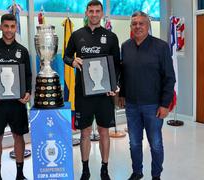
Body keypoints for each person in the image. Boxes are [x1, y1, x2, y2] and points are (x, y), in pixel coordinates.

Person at [63, 1, 120, 180]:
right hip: (83, 93)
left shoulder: (111, 36)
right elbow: (65, 56)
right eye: (91, 11)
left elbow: (116, 65)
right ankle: (85, 169)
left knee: (104, 131)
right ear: (86, 13)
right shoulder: (76, 35)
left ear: (102, 13)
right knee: (85, 132)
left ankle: (104, 168)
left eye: (97, 11)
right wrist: (72, 62)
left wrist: (114, 85)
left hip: (104, 95)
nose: (94, 14)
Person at [118, 11, 176, 180]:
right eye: (134, 23)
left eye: (141, 23)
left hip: (154, 106)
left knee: (156, 144)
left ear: (148, 25)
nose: (137, 26)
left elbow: (169, 77)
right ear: (131, 27)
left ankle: (156, 175)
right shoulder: (125, 46)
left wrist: (165, 104)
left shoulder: (161, 47)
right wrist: (122, 94)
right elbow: (124, 74)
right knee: (134, 143)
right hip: (131, 106)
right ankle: (137, 173)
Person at [0, 14, 32, 180]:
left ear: (16, 27)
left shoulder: (22, 51)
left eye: (12, 26)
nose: (9, 30)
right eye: (6, 26)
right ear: (0, 27)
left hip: (17, 103)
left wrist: (28, 92)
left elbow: (28, 75)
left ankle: (20, 173)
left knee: (19, 136)